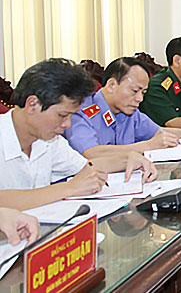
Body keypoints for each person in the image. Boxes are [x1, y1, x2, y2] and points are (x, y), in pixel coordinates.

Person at [0, 59, 157, 211]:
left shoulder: (50, 141)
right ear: (33, 104)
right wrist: (69, 188)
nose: (67, 124)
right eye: (62, 115)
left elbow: (85, 166)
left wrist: (127, 159)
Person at [65, 57, 181, 158]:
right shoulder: (80, 112)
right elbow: (91, 153)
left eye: (143, 93)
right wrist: (146, 146)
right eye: (134, 91)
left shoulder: (130, 112)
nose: (139, 99)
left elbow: (158, 132)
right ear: (111, 85)